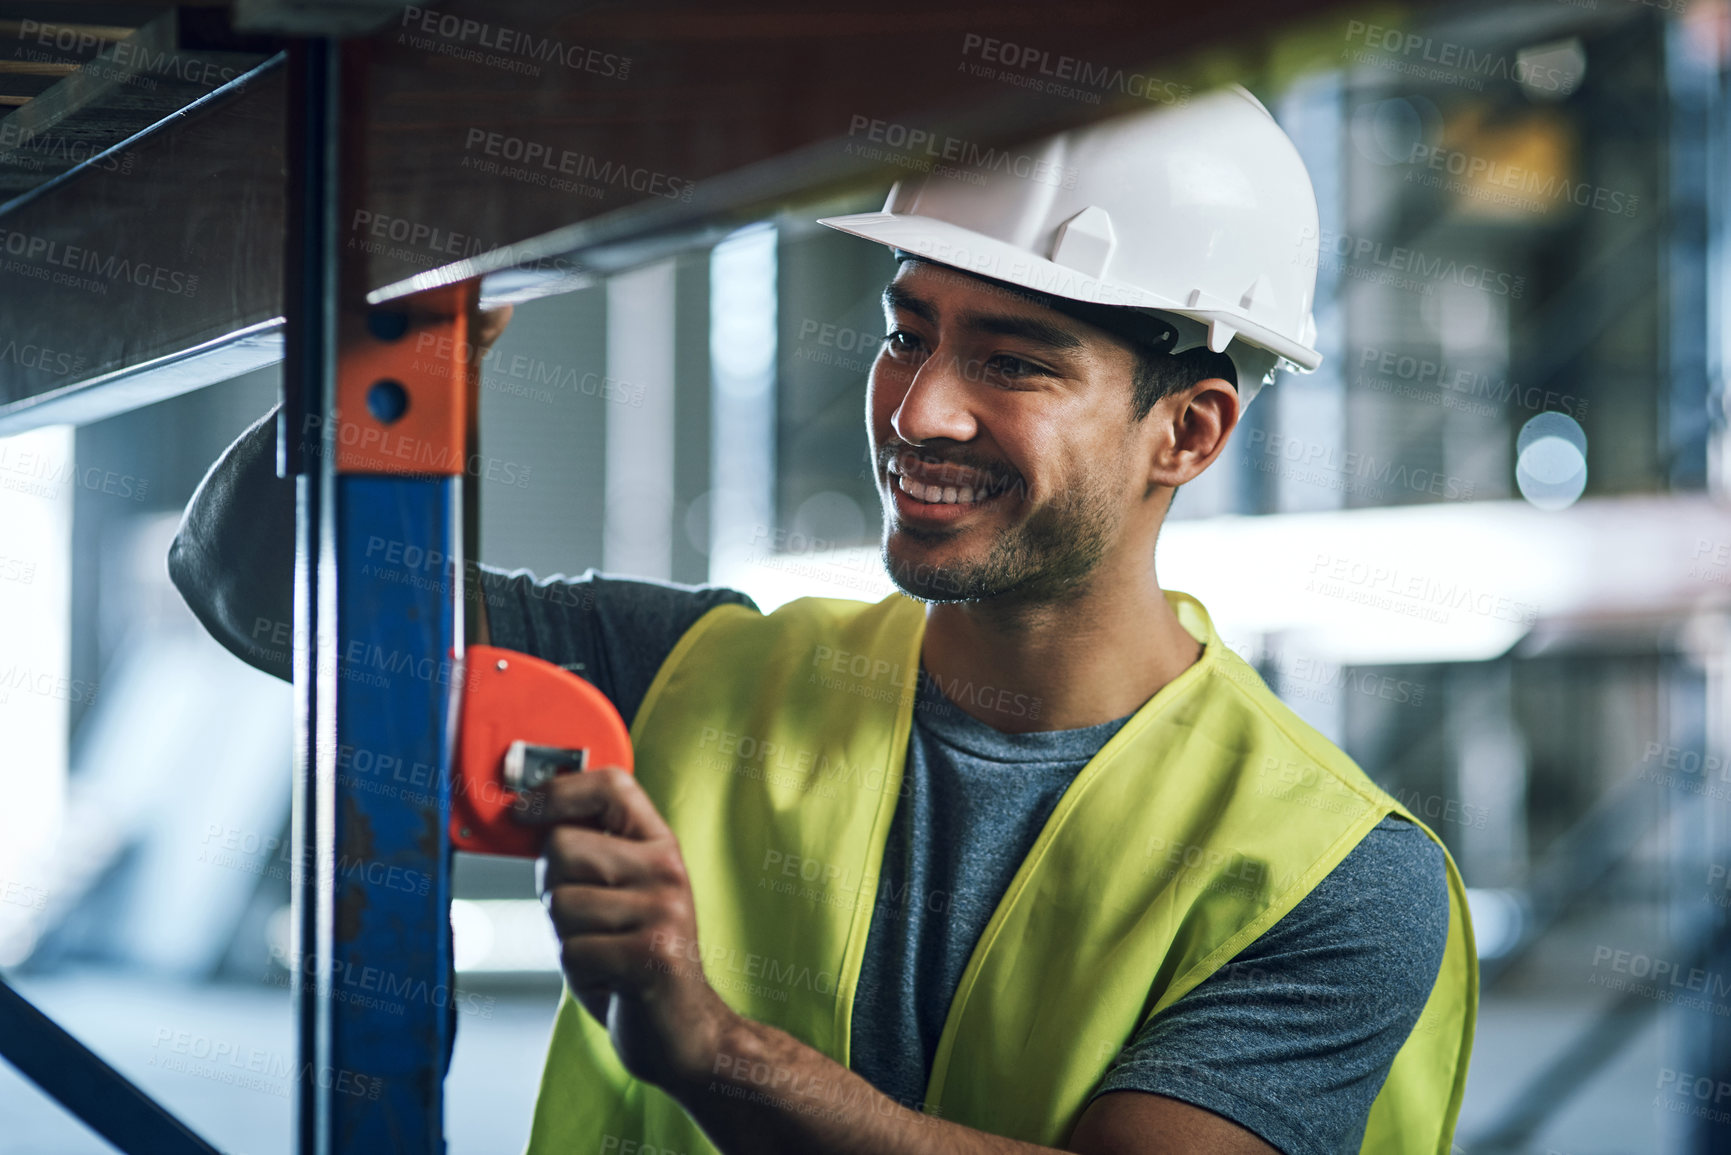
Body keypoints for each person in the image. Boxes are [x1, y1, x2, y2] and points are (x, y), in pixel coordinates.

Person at [170, 86, 1473, 1154]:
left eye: (1012, 361)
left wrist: (711, 1048)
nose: (919, 412)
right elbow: (257, 582)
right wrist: (409, 359)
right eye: (908, 335)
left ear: (1186, 431)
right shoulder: (693, 680)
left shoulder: (1333, 874)